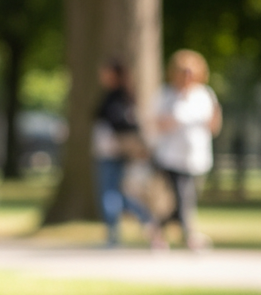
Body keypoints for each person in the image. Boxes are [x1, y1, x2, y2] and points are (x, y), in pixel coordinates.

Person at [152, 49, 222, 251]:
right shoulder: (166, 94)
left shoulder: (204, 94)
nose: (187, 77)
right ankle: (190, 236)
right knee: (183, 197)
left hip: (197, 157)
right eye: (183, 72)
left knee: (182, 200)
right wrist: (176, 120)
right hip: (171, 156)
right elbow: (157, 123)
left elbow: (214, 125)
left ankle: (156, 229)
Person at [91, 60, 158, 247]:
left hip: (111, 151)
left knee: (109, 194)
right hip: (111, 151)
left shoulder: (117, 98)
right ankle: (145, 219)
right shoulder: (122, 96)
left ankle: (118, 232)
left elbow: (120, 122)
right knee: (116, 193)